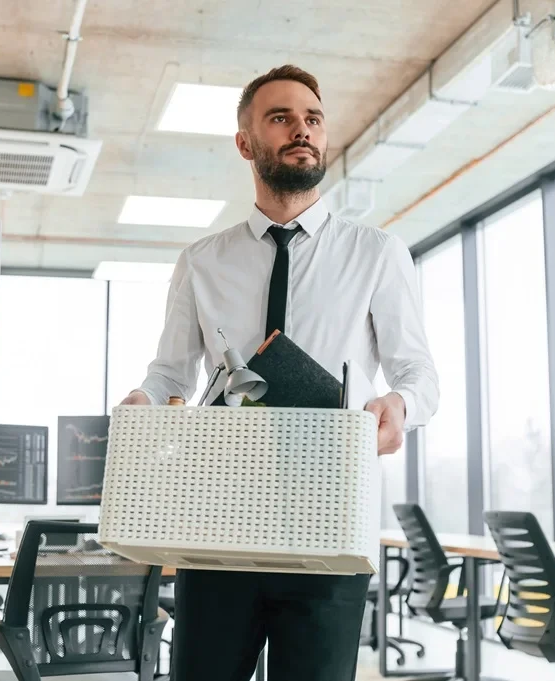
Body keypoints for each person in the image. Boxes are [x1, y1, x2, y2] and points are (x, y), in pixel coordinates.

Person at [119, 64, 439, 681]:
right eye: (281, 118)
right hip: (215, 527)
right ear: (246, 143)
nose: (302, 130)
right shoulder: (202, 261)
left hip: (328, 529)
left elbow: (418, 371)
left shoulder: (376, 253)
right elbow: (170, 374)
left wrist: (401, 405)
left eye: (313, 119)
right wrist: (144, 398)